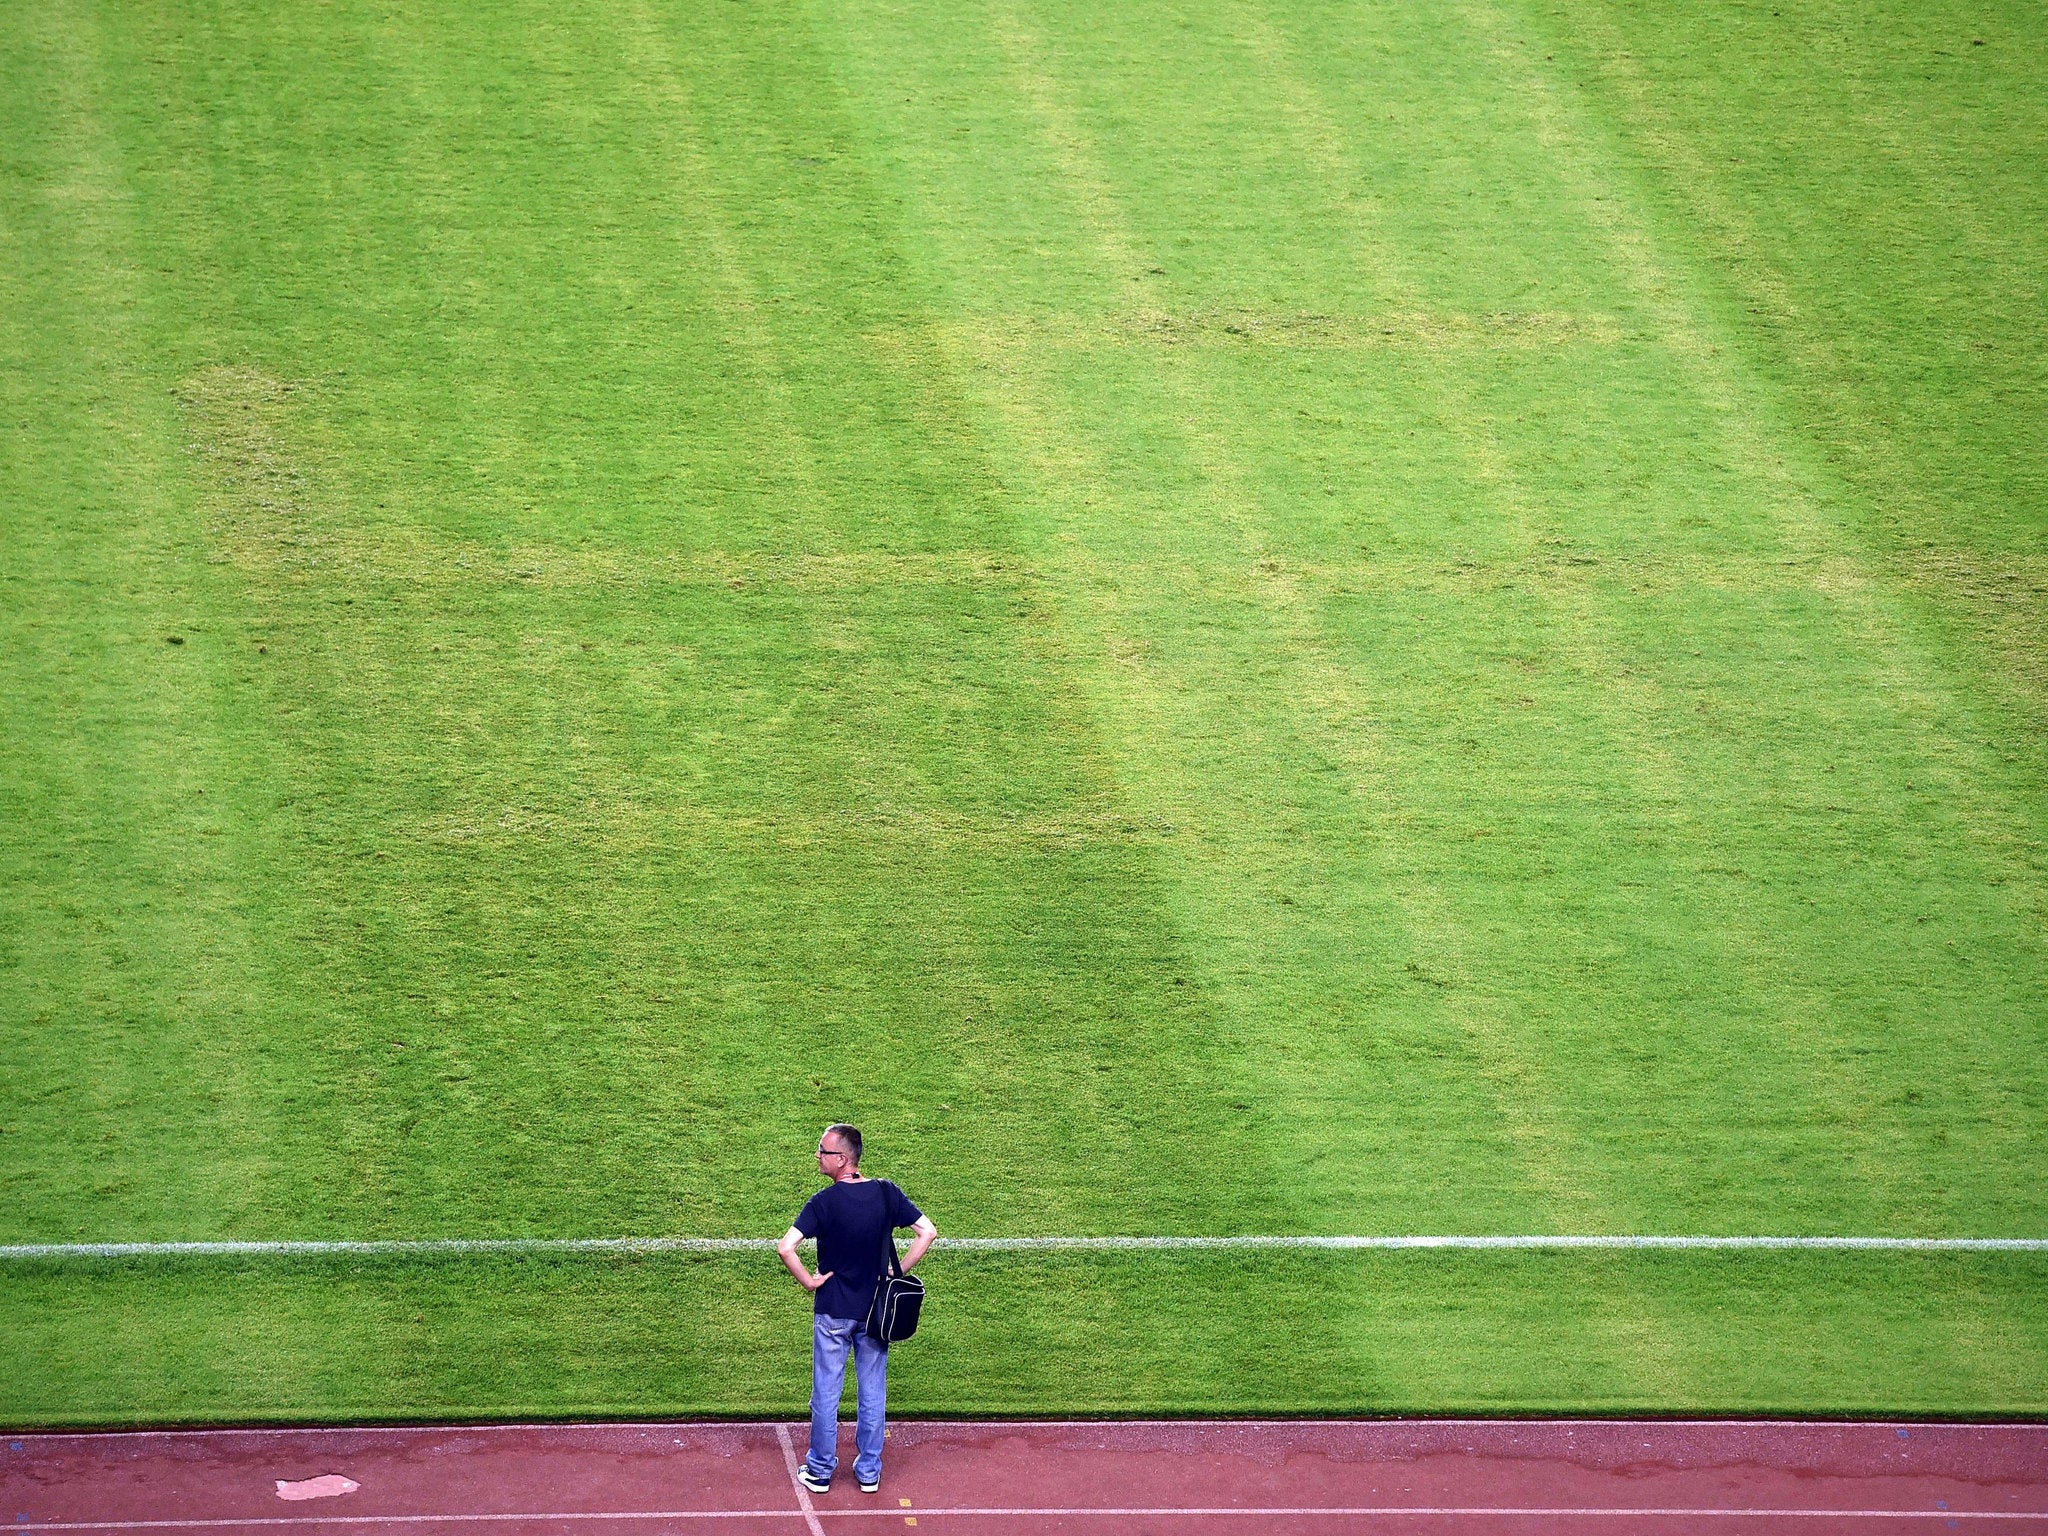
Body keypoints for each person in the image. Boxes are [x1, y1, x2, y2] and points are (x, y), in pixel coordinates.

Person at [777, 1123, 937, 1495]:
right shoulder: (885, 1193)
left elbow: (786, 1248)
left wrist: (810, 1281)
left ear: (842, 1159)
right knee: (872, 1392)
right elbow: (926, 1232)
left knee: (826, 1393)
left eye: (822, 1151)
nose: (817, 1156)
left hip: (833, 1310)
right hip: (875, 1313)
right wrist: (897, 1271)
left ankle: (818, 1470)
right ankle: (868, 1471)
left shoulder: (823, 1202)